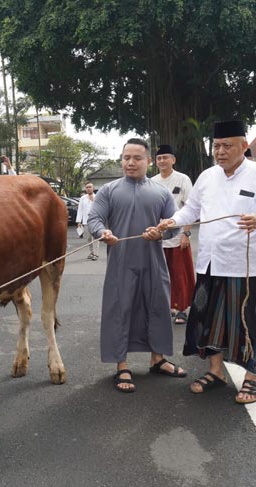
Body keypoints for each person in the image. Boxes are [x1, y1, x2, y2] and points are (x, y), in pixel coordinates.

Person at [157, 120, 256, 404]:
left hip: (246, 267)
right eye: (216, 146)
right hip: (210, 264)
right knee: (208, 322)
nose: (220, 151)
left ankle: (252, 378)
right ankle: (216, 372)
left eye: (227, 145)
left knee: (250, 322)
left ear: (244, 145)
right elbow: (190, 210)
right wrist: (172, 222)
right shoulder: (207, 177)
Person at [87, 138, 186, 393]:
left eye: (137, 158)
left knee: (157, 307)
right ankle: (122, 365)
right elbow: (94, 218)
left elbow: (175, 222)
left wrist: (161, 233)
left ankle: (158, 359)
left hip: (154, 261)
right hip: (121, 263)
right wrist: (103, 231)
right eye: (126, 158)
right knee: (121, 309)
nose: (130, 163)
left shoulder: (161, 192)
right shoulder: (108, 190)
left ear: (148, 161)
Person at [151, 144, 195, 324]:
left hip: (178, 236)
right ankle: (166, 306)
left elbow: (191, 208)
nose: (162, 161)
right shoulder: (152, 181)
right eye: (159, 158)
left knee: (179, 273)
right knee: (160, 274)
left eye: (165, 157)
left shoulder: (183, 179)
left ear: (173, 160)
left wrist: (187, 234)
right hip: (158, 237)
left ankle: (181, 308)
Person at [75, 182, 99, 260]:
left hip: (95, 221)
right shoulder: (83, 198)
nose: (88, 189)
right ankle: (91, 252)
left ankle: (96, 254)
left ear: (93, 188)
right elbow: (80, 210)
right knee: (88, 238)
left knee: (95, 238)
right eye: (87, 187)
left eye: (90, 187)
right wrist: (79, 221)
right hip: (86, 221)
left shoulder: (97, 197)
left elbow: (99, 208)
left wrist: (93, 200)